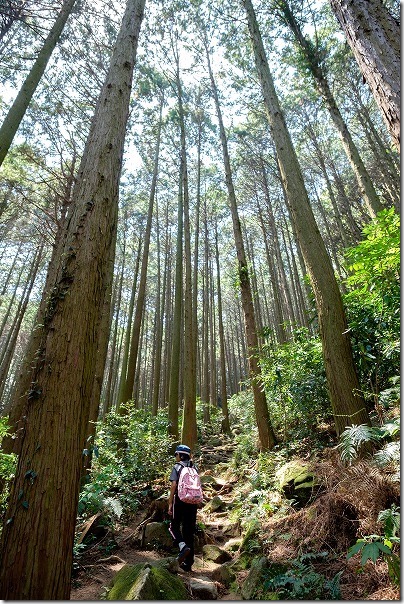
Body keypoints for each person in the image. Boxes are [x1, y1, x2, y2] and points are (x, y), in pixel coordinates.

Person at [168, 444, 198, 572]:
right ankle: (188, 563)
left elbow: (174, 485)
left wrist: (170, 503)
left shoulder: (177, 467)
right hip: (193, 502)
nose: (176, 457)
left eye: (176, 454)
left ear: (180, 455)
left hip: (179, 500)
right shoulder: (194, 467)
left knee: (173, 526)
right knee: (188, 530)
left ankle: (182, 546)